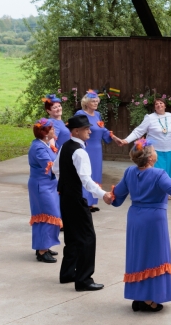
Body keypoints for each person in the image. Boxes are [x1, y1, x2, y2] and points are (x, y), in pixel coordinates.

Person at [104, 138, 171, 312]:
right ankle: (148, 299)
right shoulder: (158, 174)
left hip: (135, 219)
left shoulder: (130, 172)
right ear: (150, 159)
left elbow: (116, 194)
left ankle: (139, 295)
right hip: (154, 220)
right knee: (154, 256)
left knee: (138, 255)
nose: (156, 152)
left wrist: (106, 195)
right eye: (154, 151)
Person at [53, 114, 113, 292]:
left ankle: (68, 273)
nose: (90, 130)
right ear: (76, 131)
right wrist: (103, 194)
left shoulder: (65, 146)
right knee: (87, 238)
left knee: (72, 237)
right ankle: (84, 279)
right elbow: (87, 180)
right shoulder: (80, 151)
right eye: (86, 129)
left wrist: (64, 184)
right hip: (76, 199)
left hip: (65, 197)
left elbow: (56, 169)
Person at [120, 98, 171, 180]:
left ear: (165, 105)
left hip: (169, 152)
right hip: (155, 152)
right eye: (156, 104)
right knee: (156, 175)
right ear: (154, 108)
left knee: (169, 176)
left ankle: (168, 191)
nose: (159, 105)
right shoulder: (149, 118)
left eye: (161, 103)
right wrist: (126, 140)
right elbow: (138, 131)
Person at [74, 90, 123, 211]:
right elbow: (76, 129)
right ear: (86, 102)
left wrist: (115, 138)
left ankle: (91, 202)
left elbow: (104, 130)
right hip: (86, 147)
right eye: (93, 101)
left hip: (97, 149)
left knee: (95, 173)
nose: (96, 103)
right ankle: (84, 201)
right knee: (85, 173)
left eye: (97, 101)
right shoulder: (80, 113)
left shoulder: (97, 115)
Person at [28, 118, 61, 263]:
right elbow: (50, 166)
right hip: (41, 186)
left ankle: (44, 246)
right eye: (52, 129)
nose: (54, 130)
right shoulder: (39, 148)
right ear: (45, 133)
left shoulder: (45, 144)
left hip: (48, 184)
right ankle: (42, 251)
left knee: (46, 215)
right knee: (47, 215)